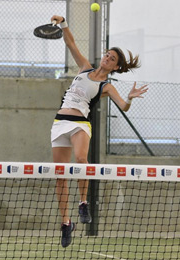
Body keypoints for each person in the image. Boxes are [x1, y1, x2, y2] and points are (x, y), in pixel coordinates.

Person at [50, 15, 149, 248]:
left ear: (115, 67)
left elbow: (123, 106)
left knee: (82, 159)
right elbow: (71, 43)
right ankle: (66, 223)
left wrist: (130, 99)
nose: (107, 58)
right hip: (59, 123)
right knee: (60, 177)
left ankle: (83, 202)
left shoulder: (107, 86)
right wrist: (63, 23)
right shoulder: (84, 68)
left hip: (80, 124)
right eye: (107, 54)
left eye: (112, 58)